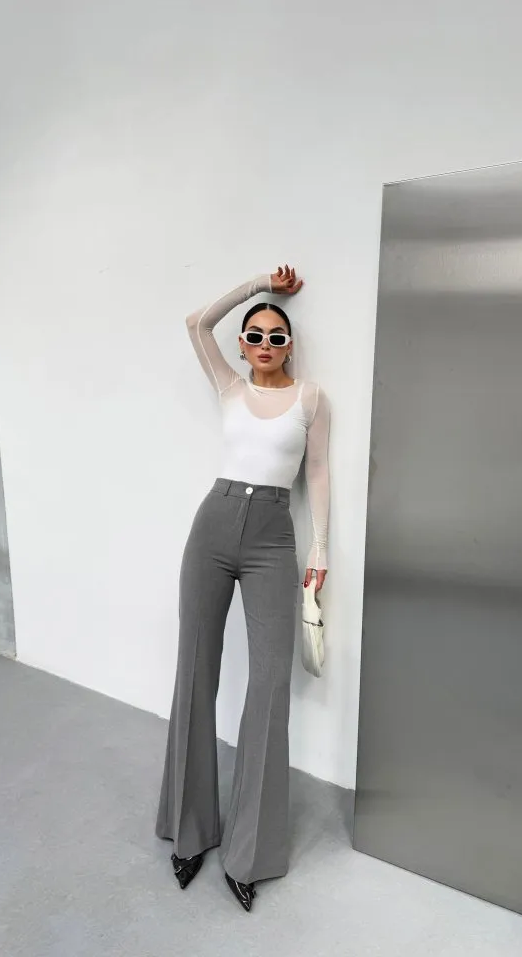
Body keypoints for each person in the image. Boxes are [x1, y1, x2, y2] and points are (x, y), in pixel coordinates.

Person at [155, 265, 330, 912]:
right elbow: (196, 322)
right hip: (213, 526)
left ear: (289, 346)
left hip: (272, 539)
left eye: (276, 336)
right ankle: (190, 831)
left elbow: (318, 473)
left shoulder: (311, 399)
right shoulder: (229, 386)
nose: (263, 343)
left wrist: (320, 550)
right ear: (241, 344)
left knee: (270, 681)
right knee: (195, 669)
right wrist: (259, 284)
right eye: (254, 334)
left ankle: (249, 852)